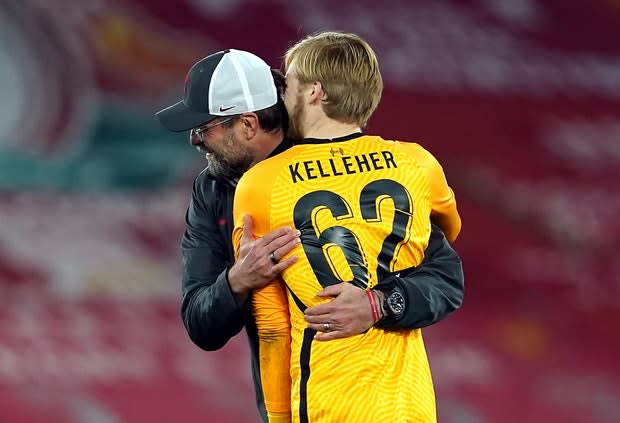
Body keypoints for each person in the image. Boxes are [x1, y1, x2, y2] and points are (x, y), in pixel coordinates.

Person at [156, 48, 463, 422]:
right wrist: (237, 280)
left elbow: (445, 279)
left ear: (249, 125)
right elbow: (201, 324)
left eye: (204, 128)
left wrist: (379, 303)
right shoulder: (214, 190)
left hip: (366, 398)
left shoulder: (350, 164)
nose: (194, 140)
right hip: (299, 402)